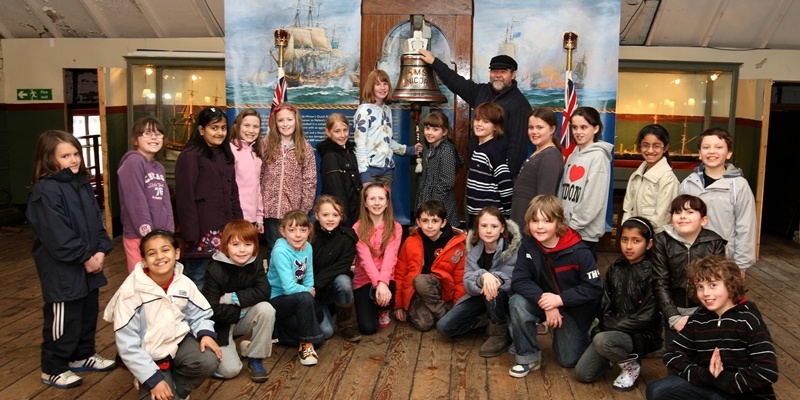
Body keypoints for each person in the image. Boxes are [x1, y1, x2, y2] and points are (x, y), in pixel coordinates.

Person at [28, 130, 117, 389]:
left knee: (87, 313)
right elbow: (57, 235)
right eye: (65, 156)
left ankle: (83, 355)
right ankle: (53, 367)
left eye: (75, 153)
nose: (73, 160)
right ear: (49, 159)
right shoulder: (46, 191)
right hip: (63, 271)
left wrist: (101, 250)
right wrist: (84, 257)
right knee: (64, 318)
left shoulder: (81, 185)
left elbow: (96, 222)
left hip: (90, 263)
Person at [103, 230, 221, 400]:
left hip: (178, 342)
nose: (159, 256)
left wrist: (205, 333)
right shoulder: (130, 293)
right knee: (155, 392)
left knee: (209, 359)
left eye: (165, 250)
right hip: (149, 355)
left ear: (177, 253)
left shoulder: (184, 283)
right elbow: (127, 344)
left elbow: (200, 314)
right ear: (143, 260)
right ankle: (149, 379)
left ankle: (174, 391)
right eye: (152, 253)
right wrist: (153, 380)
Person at [646, 255, 779, 399]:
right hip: (710, 386)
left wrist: (724, 380)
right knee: (657, 390)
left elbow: (768, 370)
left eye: (713, 285)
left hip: (745, 393)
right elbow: (672, 354)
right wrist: (705, 376)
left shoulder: (749, 320)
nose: (706, 293)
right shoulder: (698, 320)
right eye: (700, 287)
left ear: (731, 285)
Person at [508, 195, 602, 378]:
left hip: (573, 308)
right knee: (517, 302)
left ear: (558, 222)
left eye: (547, 221)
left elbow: (594, 288)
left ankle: (590, 327)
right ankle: (528, 357)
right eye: (535, 221)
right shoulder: (528, 244)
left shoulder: (580, 251)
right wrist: (547, 303)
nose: (540, 226)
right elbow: (519, 280)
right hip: (544, 300)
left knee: (569, 360)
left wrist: (559, 300)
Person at [574, 217, 662, 391]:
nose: (629, 246)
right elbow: (605, 305)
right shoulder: (615, 269)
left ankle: (631, 365)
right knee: (583, 374)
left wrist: (613, 328)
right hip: (611, 332)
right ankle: (615, 354)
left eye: (636, 241)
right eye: (625, 240)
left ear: (649, 244)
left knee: (601, 340)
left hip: (640, 336)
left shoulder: (654, 273)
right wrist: (608, 326)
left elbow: (648, 316)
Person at [418, 49, 530, 177]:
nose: (498, 75)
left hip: (497, 176)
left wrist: (504, 178)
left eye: (503, 72)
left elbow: (517, 148)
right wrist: (434, 62)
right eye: (494, 71)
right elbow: (456, 82)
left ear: (513, 74)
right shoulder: (481, 91)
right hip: (475, 169)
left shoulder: (520, 104)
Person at [437, 206, 522, 358]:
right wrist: (483, 276)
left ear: (502, 228)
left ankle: (499, 334)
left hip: (503, 300)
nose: (489, 230)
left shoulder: (512, 251)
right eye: (484, 226)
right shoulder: (473, 250)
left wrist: (493, 277)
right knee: (445, 327)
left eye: (494, 226)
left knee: (494, 288)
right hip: (478, 298)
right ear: (478, 228)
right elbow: (468, 283)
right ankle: (486, 320)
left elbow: (512, 281)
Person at [175, 106, 243, 289]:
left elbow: (233, 192)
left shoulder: (225, 155)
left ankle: (217, 316)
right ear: (201, 130)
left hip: (226, 229)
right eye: (214, 128)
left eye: (223, 128)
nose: (219, 133)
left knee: (223, 280)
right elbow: (184, 197)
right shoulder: (190, 156)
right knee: (198, 278)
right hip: (200, 232)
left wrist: (239, 223)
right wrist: (190, 233)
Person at [202, 219, 274, 383]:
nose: (242, 250)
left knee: (266, 309)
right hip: (220, 324)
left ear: (255, 246)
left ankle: (255, 358)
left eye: (248, 245)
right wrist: (241, 309)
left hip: (239, 316)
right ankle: (215, 354)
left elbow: (264, 292)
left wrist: (230, 298)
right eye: (236, 245)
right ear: (226, 246)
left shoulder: (255, 261)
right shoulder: (215, 269)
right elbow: (212, 309)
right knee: (231, 371)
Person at [652, 194, 727, 351]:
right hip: (674, 311)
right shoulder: (661, 241)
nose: (683, 216)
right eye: (677, 212)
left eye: (690, 212)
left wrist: (702, 314)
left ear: (703, 220)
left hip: (707, 311)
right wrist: (673, 316)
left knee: (704, 358)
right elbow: (660, 280)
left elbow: (717, 283)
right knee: (676, 359)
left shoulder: (714, 242)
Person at [679, 127, 756, 277]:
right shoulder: (688, 184)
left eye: (718, 147)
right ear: (700, 153)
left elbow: (746, 226)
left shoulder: (738, 186)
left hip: (724, 261)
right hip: (691, 258)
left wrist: (741, 265)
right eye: (706, 147)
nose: (712, 151)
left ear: (729, 153)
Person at [394, 200, 466, 332]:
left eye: (435, 221)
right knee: (424, 324)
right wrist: (398, 305)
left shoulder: (456, 245)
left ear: (443, 223)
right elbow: (400, 273)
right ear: (418, 222)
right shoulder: (410, 242)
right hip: (416, 291)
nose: (430, 226)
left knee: (421, 280)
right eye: (425, 221)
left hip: (440, 289)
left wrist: (458, 309)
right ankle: (442, 313)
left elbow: (460, 278)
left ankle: (443, 313)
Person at [268, 210, 325, 366]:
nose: (298, 235)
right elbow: (287, 288)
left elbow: (308, 275)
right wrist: (307, 292)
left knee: (319, 318)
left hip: (296, 298)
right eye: (292, 230)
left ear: (309, 231)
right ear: (283, 231)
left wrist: (309, 289)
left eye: (303, 230)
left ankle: (279, 334)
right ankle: (306, 345)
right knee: (317, 337)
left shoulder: (307, 247)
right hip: (276, 300)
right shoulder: (280, 251)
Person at [260, 103, 317, 261]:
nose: (285, 124)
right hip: (270, 210)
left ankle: (293, 284)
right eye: (281, 120)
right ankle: (275, 285)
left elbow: (310, 181)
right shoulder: (266, 145)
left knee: (293, 251)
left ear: (296, 121)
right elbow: (259, 175)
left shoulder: (305, 148)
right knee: (273, 249)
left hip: (293, 211)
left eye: (289, 120)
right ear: (275, 123)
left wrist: (303, 211)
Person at [117, 117, 174, 273]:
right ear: (135, 140)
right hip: (139, 236)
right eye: (147, 133)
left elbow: (165, 202)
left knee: (162, 278)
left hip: (160, 236)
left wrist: (169, 233)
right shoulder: (133, 162)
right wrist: (148, 236)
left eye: (158, 134)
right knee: (143, 279)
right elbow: (136, 202)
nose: (154, 138)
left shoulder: (159, 167)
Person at [558, 106, 614, 259]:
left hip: (583, 237)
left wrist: (573, 226)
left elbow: (593, 200)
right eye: (574, 127)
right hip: (565, 230)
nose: (578, 132)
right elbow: (562, 192)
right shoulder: (573, 155)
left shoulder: (599, 158)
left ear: (596, 128)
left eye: (584, 127)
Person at [353, 69, 420, 187]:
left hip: (387, 172)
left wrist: (409, 150)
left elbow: (387, 141)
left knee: (386, 205)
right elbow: (360, 145)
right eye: (377, 84)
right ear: (370, 87)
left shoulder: (387, 110)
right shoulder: (363, 112)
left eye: (385, 84)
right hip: (370, 173)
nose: (382, 88)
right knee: (370, 205)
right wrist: (364, 175)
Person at [352, 183, 402, 334]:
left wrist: (382, 283)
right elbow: (365, 259)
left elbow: (390, 258)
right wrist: (377, 284)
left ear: (387, 203)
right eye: (372, 198)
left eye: (381, 198)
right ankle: (371, 304)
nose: (377, 202)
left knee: (385, 299)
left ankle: (383, 309)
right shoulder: (357, 227)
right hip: (364, 279)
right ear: (365, 203)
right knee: (368, 328)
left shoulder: (395, 227)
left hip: (386, 278)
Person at [311, 195, 361, 342]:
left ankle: (345, 322)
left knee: (344, 281)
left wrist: (317, 283)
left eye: (335, 215)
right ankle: (325, 309)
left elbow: (342, 266)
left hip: (326, 285)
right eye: (325, 215)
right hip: (313, 292)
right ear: (316, 216)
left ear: (341, 217)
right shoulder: (308, 236)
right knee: (326, 332)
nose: (330, 219)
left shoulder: (347, 237)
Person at [509, 107, 564, 230]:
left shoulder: (550, 157)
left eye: (540, 127)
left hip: (532, 227)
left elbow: (545, 199)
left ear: (552, 129)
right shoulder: (538, 152)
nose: (534, 132)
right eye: (531, 127)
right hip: (520, 221)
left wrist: (535, 227)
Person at [622, 124, 679, 233]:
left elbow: (662, 217)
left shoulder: (668, 179)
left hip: (655, 238)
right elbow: (627, 208)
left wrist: (643, 235)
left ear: (665, 148)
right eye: (646, 145)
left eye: (656, 146)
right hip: (635, 236)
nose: (650, 150)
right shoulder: (636, 175)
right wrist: (627, 230)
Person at [465, 102, 514, 226]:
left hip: (490, 219)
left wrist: (507, 214)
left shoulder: (494, 151)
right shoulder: (478, 148)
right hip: (476, 216)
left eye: (486, 122)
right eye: (477, 119)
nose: (479, 124)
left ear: (496, 127)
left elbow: (505, 185)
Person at [416, 111, 463, 227]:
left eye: (435, 129)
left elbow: (447, 182)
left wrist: (434, 205)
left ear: (445, 132)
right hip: (430, 200)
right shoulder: (433, 147)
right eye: (427, 128)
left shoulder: (446, 150)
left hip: (441, 204)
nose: (430, 133)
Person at [317, 113, 362, 223]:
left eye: (345, 130)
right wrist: (345, 220)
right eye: (337, 131)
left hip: (355, 210)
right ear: (328, 132)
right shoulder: (330, 156)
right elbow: (337, 193)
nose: (342, 135)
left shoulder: (349, 152)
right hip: (343, 215)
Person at [230, 108, 265, 233]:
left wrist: (259, 216)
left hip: (252, 219)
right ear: (237, 126)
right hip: (234, 217)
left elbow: (257, 188)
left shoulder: (256, 154)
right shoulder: (230, 151)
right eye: (246, 125)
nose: (251, 130)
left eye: (255, 126)